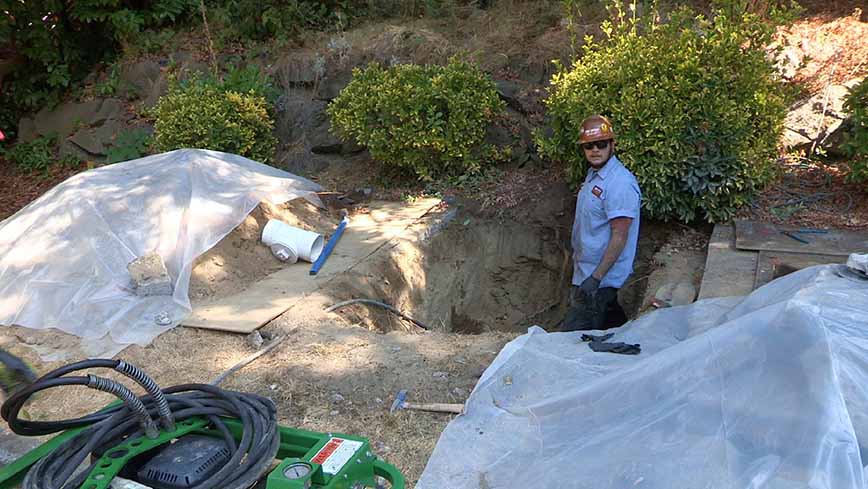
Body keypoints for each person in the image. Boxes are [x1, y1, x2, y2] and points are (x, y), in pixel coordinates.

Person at [563, 115, 641, 331]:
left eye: (601, 144)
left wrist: (595, 278)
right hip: (587, 272)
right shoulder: (594, 174)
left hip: (600, 280)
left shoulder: (620, 184)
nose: (595, 150)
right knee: (611, 327)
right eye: (589, 145)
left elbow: (620, 235)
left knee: (569, 341)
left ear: (612, 145)